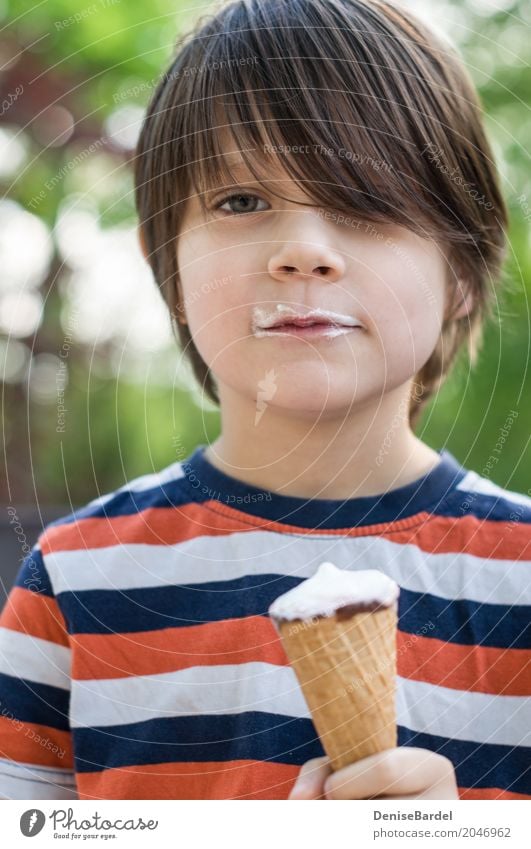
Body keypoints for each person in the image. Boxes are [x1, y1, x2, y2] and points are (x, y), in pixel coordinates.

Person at [1, 0, 529, 801]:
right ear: (167, 264)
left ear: (460, 271)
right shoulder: (73, 583)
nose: (304, 252)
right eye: (241, 202)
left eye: (366, 201)